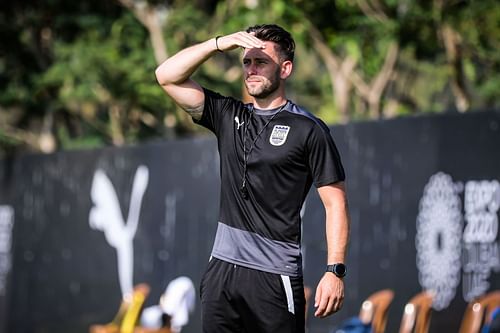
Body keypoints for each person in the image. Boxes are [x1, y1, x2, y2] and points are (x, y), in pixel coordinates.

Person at [155, 24, 350, 333]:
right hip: (222, 274)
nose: (252, 69)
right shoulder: (228, 114)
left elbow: (335, 204)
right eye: (247, 61)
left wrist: (335, 271)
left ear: (285, 69)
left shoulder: (309, 129)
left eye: (261, 62)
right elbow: (166, 75)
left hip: (274, 277)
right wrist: (218, 43)